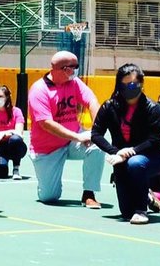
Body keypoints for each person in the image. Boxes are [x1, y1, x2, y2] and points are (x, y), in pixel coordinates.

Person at [91, 64, 160, 225]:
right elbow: (96, 134)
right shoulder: (109, 106)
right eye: (124, 85)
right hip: (121, 158)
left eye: (132, 84)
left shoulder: (152, 108)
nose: (128, 88)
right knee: (126, 212)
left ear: (141, 84)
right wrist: (115, 152)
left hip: (151, 156)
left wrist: (130, 151)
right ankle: (145, 194)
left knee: (135, 163)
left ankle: (141, 210)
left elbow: (154, 139)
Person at [26, 51, 104, 208]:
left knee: (97, 146)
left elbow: (92, 101)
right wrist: (78, 136)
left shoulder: (74, 82)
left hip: (71, 141)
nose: (76, 70)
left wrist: (96, 130)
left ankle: (88, 194)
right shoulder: (39, 90)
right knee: (49, 197)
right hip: (47, 149)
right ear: (62, 69)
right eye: (74, 67)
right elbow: (46, 123)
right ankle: (45, 183)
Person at [0, 85, 27, 180]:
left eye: (0, 96)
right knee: (1, 173)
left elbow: (19, 133)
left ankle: (16, 168)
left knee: (16, 139)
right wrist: (8, 132)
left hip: (13, 145)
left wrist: (1, 134)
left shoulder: (16, 111)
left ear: (7, 98)